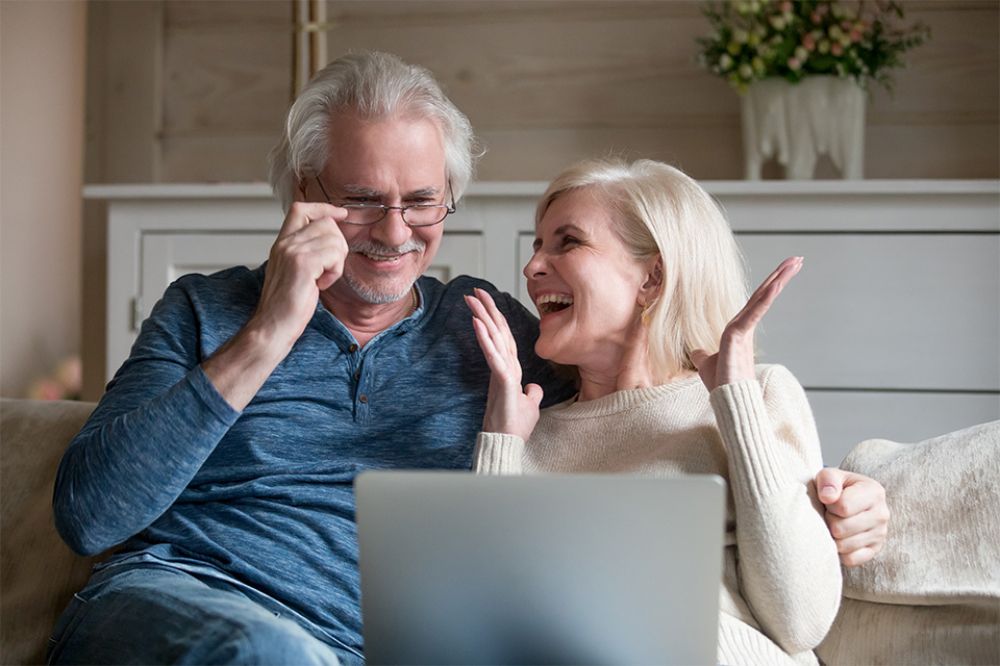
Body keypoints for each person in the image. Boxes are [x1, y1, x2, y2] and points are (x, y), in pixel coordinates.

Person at [49, 52, 887, 665]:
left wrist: (845, 494)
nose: (391, 233)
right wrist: (272, 328)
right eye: (361, 200)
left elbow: (634, 397)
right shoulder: (205, 310)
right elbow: (90, 516)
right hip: (180, 605)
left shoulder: (493, 333)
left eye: (421, 202)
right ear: (303, 190)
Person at [465, 158, 852, 665]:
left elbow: (801, 620)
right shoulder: (528, 433)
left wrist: (736, 406)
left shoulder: (756, 397)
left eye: (568, 242)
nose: (532, 266)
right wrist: (501, 441)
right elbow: (478, 624)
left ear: (652, 278)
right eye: (538, 245)